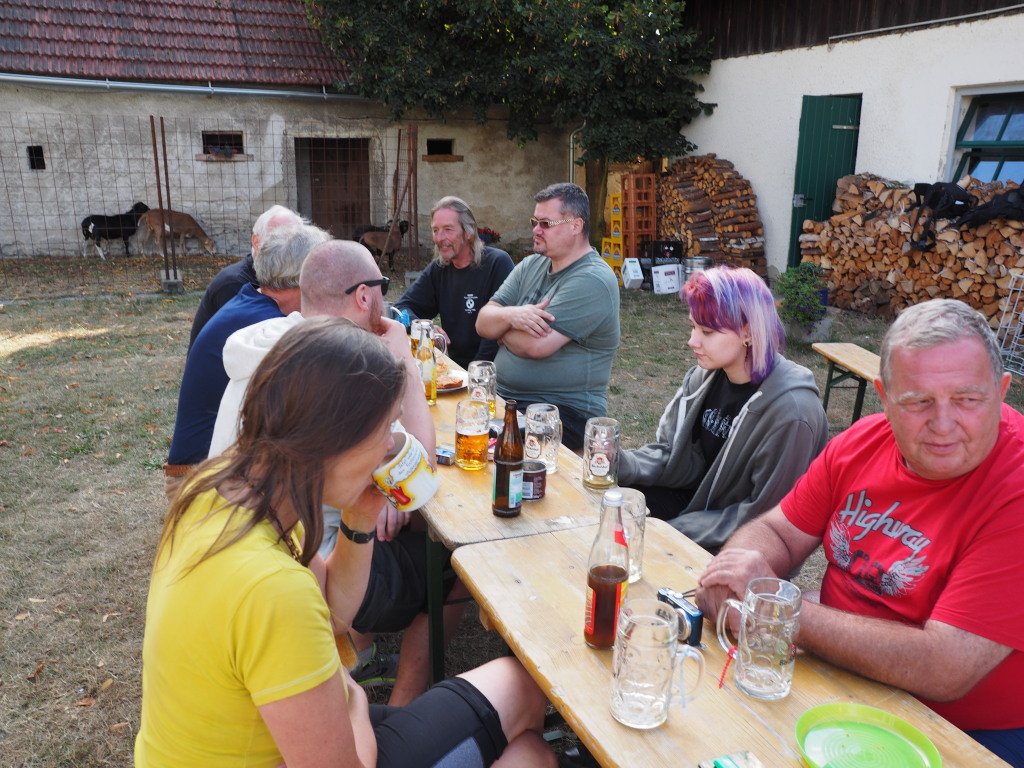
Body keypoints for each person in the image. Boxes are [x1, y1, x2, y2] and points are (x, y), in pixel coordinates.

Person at [136, 318, 555, 767]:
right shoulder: (272, 590)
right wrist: (352, 697)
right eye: (385, 429)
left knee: (523, 703)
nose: (391, 445)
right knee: (530, 747)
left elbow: (335, 615)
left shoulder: (225, 493)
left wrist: (359, 519)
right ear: (333, 440)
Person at [697, 298, 1024, 766]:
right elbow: (779, 531)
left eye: (968, 400)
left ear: (1002, 391)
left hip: (965, 733)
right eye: (918, 401)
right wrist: (735, 570)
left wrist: (776, 609)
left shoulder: (1015, 486)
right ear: (884, 397)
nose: (943, 424)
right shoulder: (862, 442)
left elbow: (946, 666)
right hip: (838, 679)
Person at [207, 239, 450, 704]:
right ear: (364, 295)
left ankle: (360, 651)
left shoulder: (278, 343)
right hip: (302, 569)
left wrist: (366, 511)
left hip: (265, 540)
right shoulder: (344, 367)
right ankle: (402, 702)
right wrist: (404, 361)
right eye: (382, 287)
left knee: (388, 528)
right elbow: (417, 472)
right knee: (447, 560)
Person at [617, 266, 828, 552]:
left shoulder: (792, 413)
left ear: (748, 332)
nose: (692, 341)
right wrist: (618, 463)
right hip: (692, 503)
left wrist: (671, 531)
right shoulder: (704, 377)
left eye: (707, 331)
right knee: (609, 508)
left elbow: (766, 517)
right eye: (693, 327)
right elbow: (673, 453)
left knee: (631, 540)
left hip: (741, 544)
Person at [164, 224, 329, 499]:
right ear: (305, 279)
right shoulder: (265, 326)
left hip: (214, 469)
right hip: (201, 479)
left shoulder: (252, 301)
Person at [476, 183, 619, 450]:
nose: (536, 230)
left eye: (545, 224)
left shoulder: (593, 280)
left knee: (492, 449)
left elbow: (535, 346)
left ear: (576, 226)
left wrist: (501, 328)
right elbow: (483, 322)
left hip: (564, 411)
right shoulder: (531, 264)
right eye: (534, 222)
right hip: (506, 399)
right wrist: (513, 316)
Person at [395, 196, 514, 369]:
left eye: (448, 229)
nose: (439, 238)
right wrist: (421, 328)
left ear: (468, 232)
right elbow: (399, 310)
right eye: (435, 230)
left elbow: (498, 330)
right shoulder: (439, 269)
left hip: (493, 374)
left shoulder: (497, 263)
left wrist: (472, 375)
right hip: (456, 371)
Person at [187, 205, 303, 350]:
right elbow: (257, 347)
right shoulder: (234, 284)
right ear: (256, 241)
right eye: (277, 241)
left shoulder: (281, 279)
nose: (288, 249)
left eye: (294, 242)